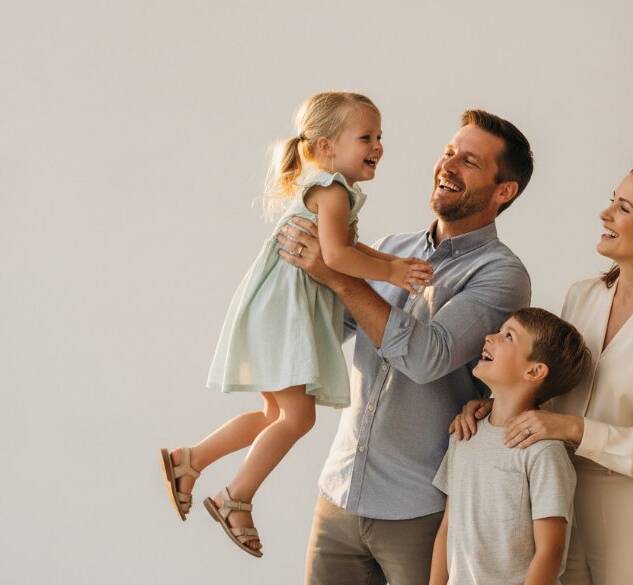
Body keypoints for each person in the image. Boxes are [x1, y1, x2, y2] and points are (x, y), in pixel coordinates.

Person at [159, 91, 433, 557]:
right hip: (285, 313)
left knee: (274, 415)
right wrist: (391, 273)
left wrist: (392, 262)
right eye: (365, 136)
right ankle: (234, 498)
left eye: (380, 136)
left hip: (276, 309)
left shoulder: (331, 188)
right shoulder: (331, 190)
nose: (378, 145)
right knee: (297, 417)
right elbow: (336, 256)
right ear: (326, 147)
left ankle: (191, 460)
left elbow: (350, 248)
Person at [277, 109, 534, 584]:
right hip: (339, 495)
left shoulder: (501, 274)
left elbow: (425, 358)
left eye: (470, 162)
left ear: (504, 191)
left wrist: (335, 274)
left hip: (419, 511)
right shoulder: (389, 248)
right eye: (449, 152)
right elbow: (328, 327)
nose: (448, 166)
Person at [451, 163, 633, 585]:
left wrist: (571, 427)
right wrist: (492, 407)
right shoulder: (583, 295)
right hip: (555, 497)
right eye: (612, 200)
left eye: (624, 207)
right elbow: (550, 383)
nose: (606, 214)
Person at [429, 308, 591, 585]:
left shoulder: (543, 452)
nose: (490, 337)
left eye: (508, 336)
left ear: (534, 371)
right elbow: (447, 527)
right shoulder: (464, 434)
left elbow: (550, 551)